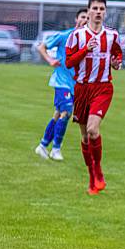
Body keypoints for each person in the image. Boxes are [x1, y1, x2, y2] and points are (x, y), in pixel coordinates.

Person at [64, 0, 122, 196]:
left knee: (92, 129)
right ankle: (91, 178)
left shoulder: (112, 35)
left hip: (103, 88)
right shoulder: (76, 36)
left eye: (101, 9)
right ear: (88, 11)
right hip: (81, 89)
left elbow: (117, 54)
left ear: (105, 12)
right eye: (95, 8)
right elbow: (69, 62)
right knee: (85, 137)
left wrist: (117, 63)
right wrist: (85, 51)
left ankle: (98, 171)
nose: (98, 12)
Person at [34, 8, 89, 161]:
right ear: (76, 19)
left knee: (58, 114)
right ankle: (56, 149)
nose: (85, 20)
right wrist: (50, 60)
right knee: (67, 111)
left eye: (87, 18)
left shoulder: (88, 42)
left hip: (76, 84)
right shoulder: (65, 36)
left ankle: (43, 146)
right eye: (83, 17)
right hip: (61, 81)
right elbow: (41, 47)